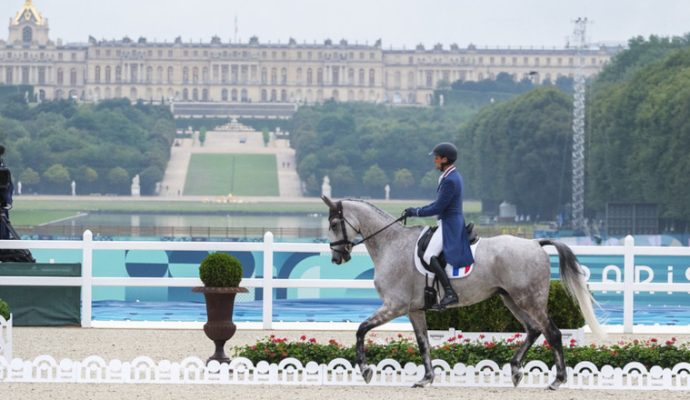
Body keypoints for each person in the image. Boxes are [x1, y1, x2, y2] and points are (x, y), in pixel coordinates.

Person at [403, 142, 474, 308]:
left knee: (428, 255)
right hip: (448, 221)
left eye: (436, 157)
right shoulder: (450, 175)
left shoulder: (450, 180)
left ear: (445, 159)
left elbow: (438, 207)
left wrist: (415, 212)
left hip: (450, 224)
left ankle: (450, 293)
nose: (434, 160)